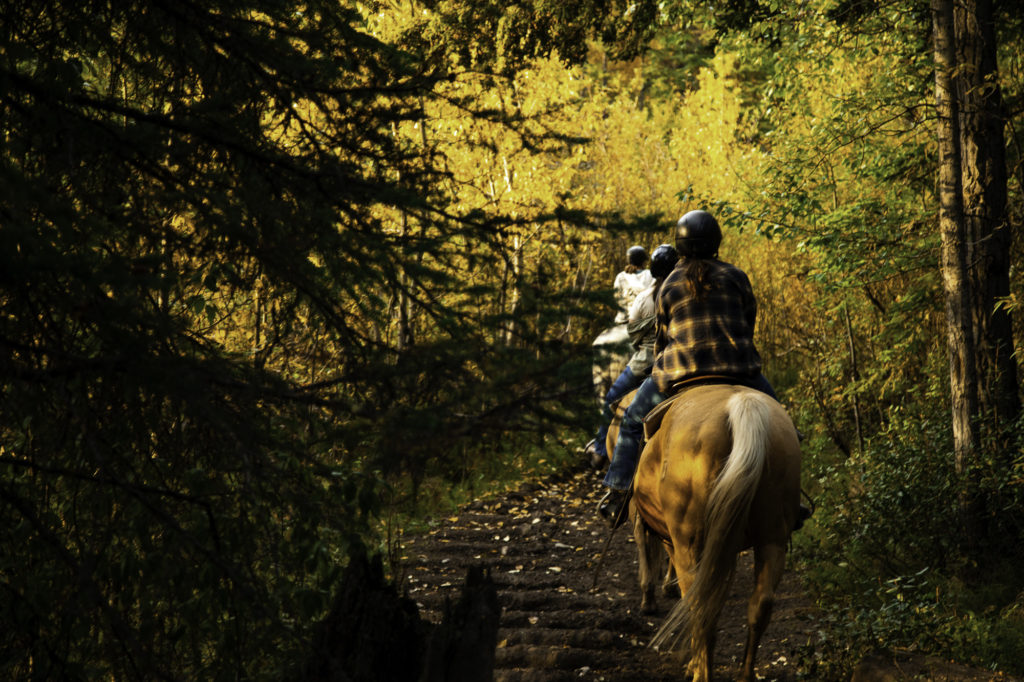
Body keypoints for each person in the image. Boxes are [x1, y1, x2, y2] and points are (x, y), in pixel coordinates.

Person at [597, 210, 794, 528]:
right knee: (786, 425)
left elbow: (662, 337)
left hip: (680, 373)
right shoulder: (736, 276)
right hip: (739, 371)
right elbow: (747, 325)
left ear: (682, 245)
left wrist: (661, 366)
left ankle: (618, 492)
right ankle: (791, 499)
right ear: (716, 242)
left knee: (632, 421)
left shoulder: (669, 283)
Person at [585, 244, 679, 468]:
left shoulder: (627, 282)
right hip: (683, 360)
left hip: (644, 355)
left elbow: (633, 334)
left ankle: (601, 452)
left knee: (611, 399)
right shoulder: (685, 292)